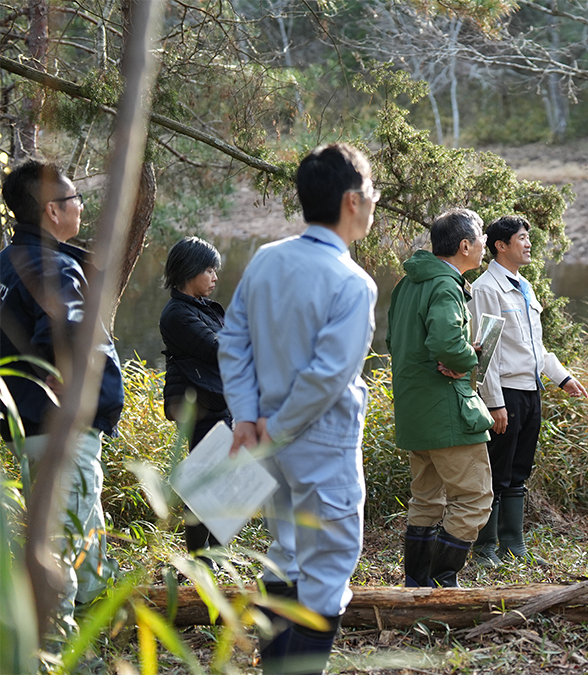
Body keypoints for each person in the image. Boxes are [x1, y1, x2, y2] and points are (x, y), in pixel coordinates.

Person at [218, 143, 378, 674]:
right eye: (372, 191)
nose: (374, 200)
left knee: (284, 555)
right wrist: (280, 426)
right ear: (353, 201)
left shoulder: (267, 259)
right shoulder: (353, 283)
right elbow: (327, 376)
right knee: (327, 570)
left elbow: (233, 340)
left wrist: (247, 418)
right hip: (319, 442)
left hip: (265, 442)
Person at [0, 159, 124, 632]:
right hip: (61, 434)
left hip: (26, 430)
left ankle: (99, 643)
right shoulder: (52, 265)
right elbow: (68, 326)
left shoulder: (7, 265)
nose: (81, 207)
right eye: (74, 200)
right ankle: (61, 655)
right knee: (63, 550)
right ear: (53, 211)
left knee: (85, 542)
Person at [467, 215, 587, 566]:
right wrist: (494, 403)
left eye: (528, 237)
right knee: (497, 469)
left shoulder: (525, 286)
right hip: (505, 392)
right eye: (521, 237)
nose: (528, 243)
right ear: (500, 245)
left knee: (519, 470)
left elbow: (537, 346)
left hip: (530, 390)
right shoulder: (486, 289)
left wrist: (561, 377)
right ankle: (485, 547)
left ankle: (513, 544)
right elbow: (485, 353)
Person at [389, 208, 495, 588]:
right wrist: (468, 359)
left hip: (415, 410)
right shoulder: (446, 285)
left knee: (426, 500)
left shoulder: (408, 283)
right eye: (482, 236)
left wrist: (450, 356)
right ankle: (441, 582)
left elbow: (396, 343)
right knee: (475, 498)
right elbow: (446, 342)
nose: (485, 243)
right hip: (447, 411)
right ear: (465, 245)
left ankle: (416, 585)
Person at [159, 236, 229, 557]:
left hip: (219, 404)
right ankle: (201, 558)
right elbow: (218, 349)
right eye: (209, 269)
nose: (215, 276)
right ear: (190, 271)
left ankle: (214, 552)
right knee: (204, 484)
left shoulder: (200, 308)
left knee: (221, 482)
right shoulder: (176, 314)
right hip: (202, 407)